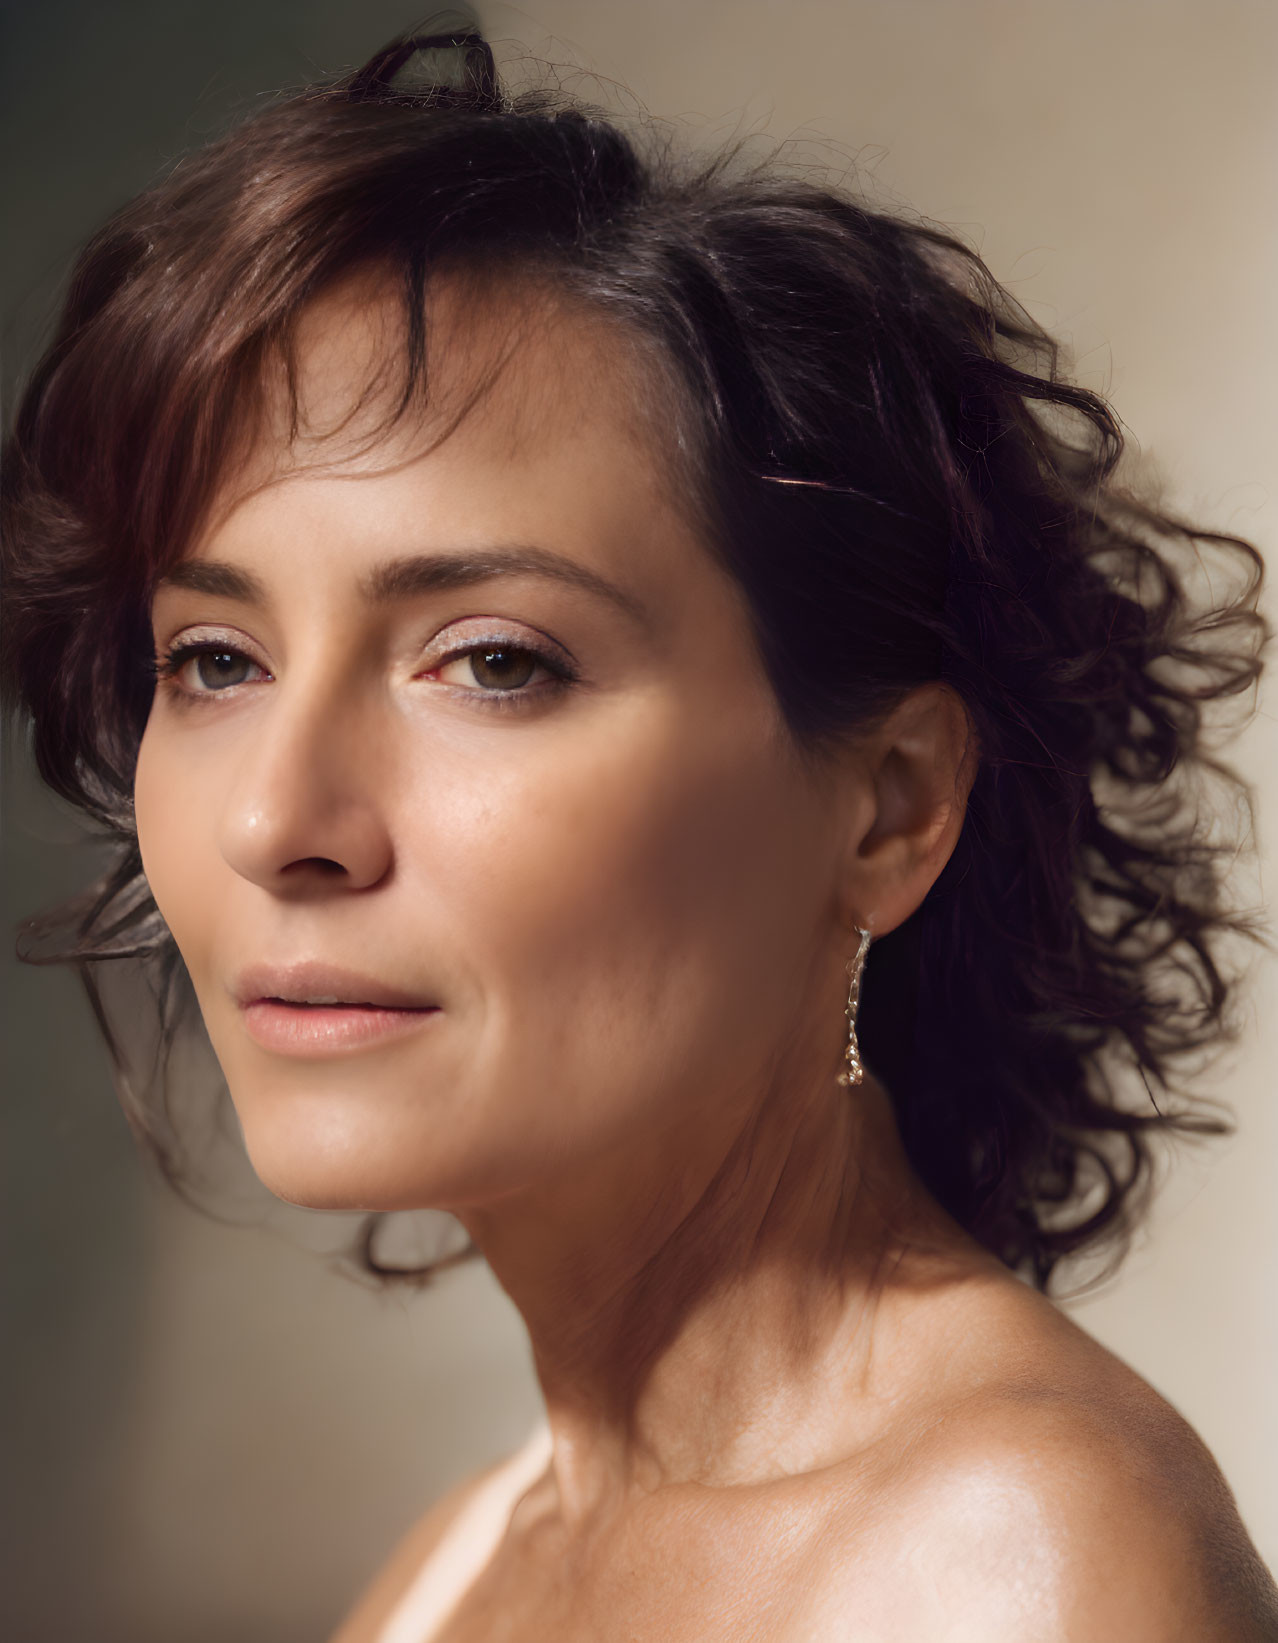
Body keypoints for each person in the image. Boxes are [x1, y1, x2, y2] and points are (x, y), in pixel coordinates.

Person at [4, 20, 1276, 1642]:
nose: (275, 818)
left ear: (887, 808)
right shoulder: (470, 1556)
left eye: (492, 662)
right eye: (215, 661)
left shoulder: (1007, 1572)